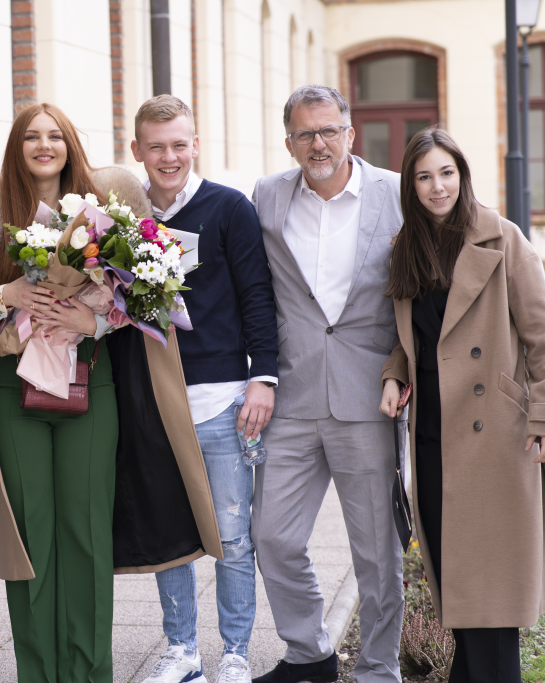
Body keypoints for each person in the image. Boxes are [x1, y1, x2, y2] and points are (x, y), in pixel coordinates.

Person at [0, 102, 223, 683]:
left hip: (90, 382)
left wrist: (92, 322)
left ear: (70, 144)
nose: (44, 145)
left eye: (55, 135)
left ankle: (91, 672)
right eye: (32, 136)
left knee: (87, 531)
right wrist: (8, 295)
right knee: (31, 534)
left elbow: (142, 300)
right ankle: (39, 674)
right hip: (15, 386)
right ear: (17, 147)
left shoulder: (109, 206)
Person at [250, 85, 404, 683]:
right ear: (289, 141)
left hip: (369, 395)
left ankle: (378, 668)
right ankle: (310, 654)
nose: (319, 144)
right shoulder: (267, 195)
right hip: (291, 392)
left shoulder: (396, 193)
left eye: (329, 130)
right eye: (305, 133)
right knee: (273, 537)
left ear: (350, 133)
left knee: (376, 552)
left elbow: (425, 289)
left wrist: (401, 367)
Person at [380, 127, 545, 681]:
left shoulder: (503, 239)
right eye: (424, 177)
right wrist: (394, 373)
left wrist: (542, 416)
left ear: (462, 175)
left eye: (447, 173)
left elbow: (541, 335)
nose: (438, 186)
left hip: (494, 431)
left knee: (489, 582)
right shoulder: (406, 248)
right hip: (433, 429)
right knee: (457, 576)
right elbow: (411, 338)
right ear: (411, 186)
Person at [131, 95, 278, 683]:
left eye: (179, 144)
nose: (169, 157)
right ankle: (182, 650)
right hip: (155, 399)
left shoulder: (228, 207)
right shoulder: (123, 219)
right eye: (157, 146)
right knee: (170, 532)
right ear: (137, 150)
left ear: (195, 145)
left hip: (222, 399)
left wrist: (263, 377)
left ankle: (235, 652)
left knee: (233, 535)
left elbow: (257, 296)